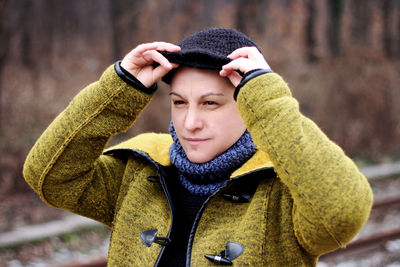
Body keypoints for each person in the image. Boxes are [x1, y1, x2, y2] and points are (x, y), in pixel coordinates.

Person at [23, 28, 373, 266]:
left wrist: (268, 100)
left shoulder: (286, 187)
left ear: (248, 105)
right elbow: (49, 176)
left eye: (210, 104)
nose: (189, 123)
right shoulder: (140, 167)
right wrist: (118, 91)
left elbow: (343, 211)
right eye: (178, 102)